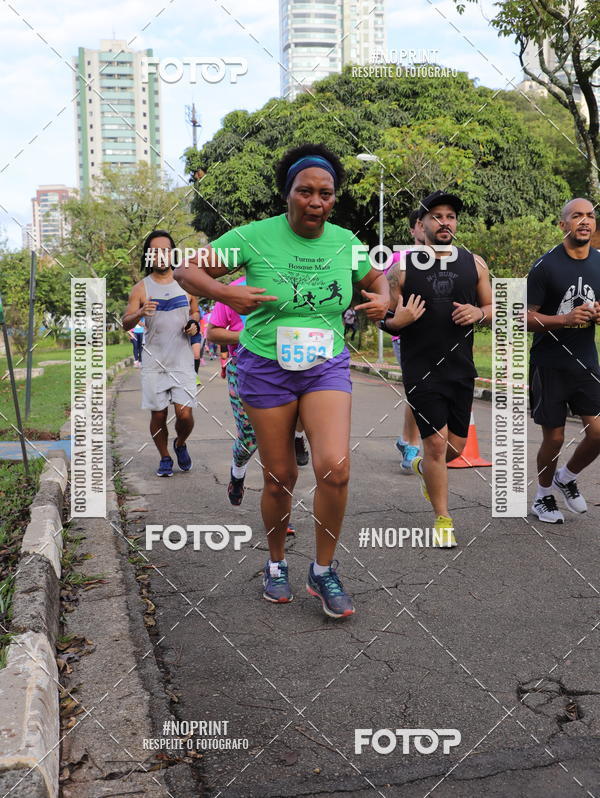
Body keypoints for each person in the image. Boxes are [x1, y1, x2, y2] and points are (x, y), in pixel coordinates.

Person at [174, 143, 389, 617]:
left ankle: (324, 569)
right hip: (264, 367)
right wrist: (224, 290)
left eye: (326, 194)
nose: (316, 201)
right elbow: (186, 268)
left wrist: (382, 299)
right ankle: (275, 564)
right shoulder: (251, 237)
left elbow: (377, 279)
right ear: (287, 194)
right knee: (280, 477)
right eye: (305, 191)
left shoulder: (346, 242)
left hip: (324, 364)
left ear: (335, 198)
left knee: (335, 466)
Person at [383, 190, 493, 547]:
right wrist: (398, 320)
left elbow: (493, 306)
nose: (445, 222)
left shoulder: (474, 263)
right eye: (437, 216)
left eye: (450, 216)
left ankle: (424, 471)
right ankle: (443, 519)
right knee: (434, 445)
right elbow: (384, 316)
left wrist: (479, 313)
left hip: (461, 368)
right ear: (422, 225)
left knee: (455, 450)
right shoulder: (401, 268)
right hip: (421, 369)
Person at [527, 197, 600, 523]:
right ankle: (542, 496)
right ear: (563, 224)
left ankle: (567, 477)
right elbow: (525, 318)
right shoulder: (545, 267)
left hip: (586, 361)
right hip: (550, 362)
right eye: (576, 216)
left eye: (589, 216)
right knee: (554, 437)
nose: (584, 221)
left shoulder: (599, 262)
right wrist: (565, 319)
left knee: (598, 433)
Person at [122, 230, 200, 478]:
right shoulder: (140, 288)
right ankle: (165, 456)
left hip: (182, 360)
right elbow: (125, 322)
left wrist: (194, 324)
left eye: (165, 250)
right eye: (154, 250)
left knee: (184, 414)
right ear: (148, 255)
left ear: (172, 253)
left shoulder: (187, 282)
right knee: (158, 413)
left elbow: (196, 312)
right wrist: (140, 311)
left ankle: (180, 443)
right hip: (154, 361)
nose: (160, 255)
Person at [390, 209, 422, 471]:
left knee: (420, 391)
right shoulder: (399, 259)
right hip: (407, 336)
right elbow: (389, 303)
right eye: (420, 224)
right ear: (413, 230)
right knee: (418, 390)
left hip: (441, 337)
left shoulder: (450, 258)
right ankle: (412, 445)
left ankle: (405, 439)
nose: (426, 228)